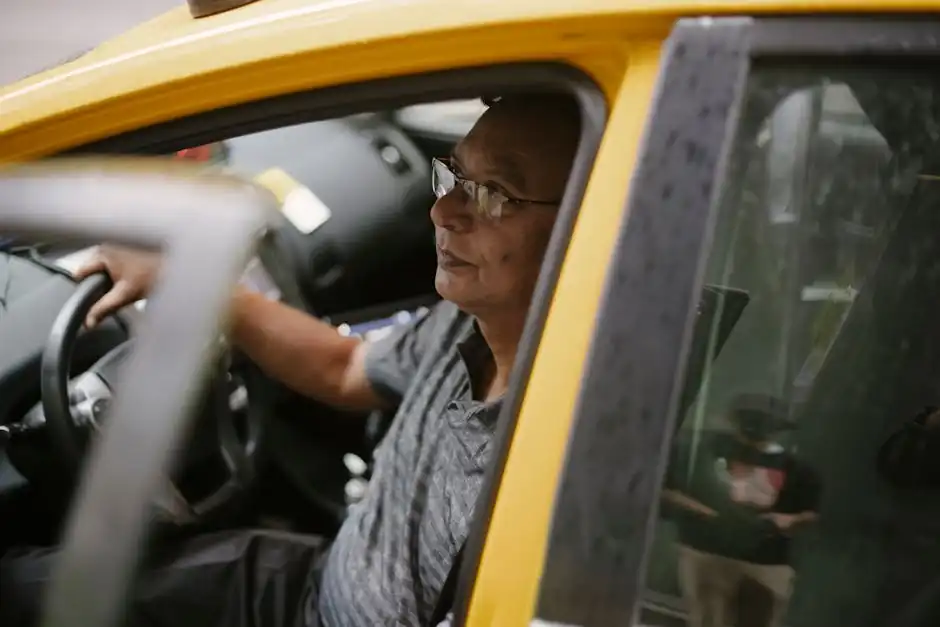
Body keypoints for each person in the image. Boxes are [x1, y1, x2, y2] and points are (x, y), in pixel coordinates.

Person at [0, 92, 582, 627]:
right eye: (453, 176)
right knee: (27, 586)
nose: (443, 212)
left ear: (583, 220)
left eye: (493, 194)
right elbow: (347, 370)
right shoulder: (467, 323)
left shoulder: (555, 457)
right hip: (327, 581)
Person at [661, 394, 821, 627]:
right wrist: (711, 516)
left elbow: (810, 514)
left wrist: (785, 520)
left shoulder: (797, 469)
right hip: (707, 554)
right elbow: (665, 491)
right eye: (751, 420)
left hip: (766, 564)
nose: (756, 428)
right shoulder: (699, 447)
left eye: (765, 422)